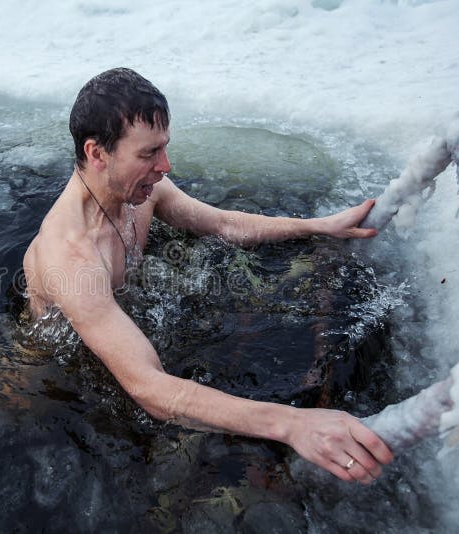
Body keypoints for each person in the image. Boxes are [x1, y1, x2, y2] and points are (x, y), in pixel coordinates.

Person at [22, 67, 393, 484]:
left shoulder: (140, 192)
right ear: (97, 154)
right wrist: (292, 423)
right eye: (149, 154)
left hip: (115, 317)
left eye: (164, 148)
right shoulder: (70, 258)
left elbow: (223, 225)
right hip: (49, 370)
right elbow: (150, 388)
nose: (166, 165)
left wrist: (320, 225)